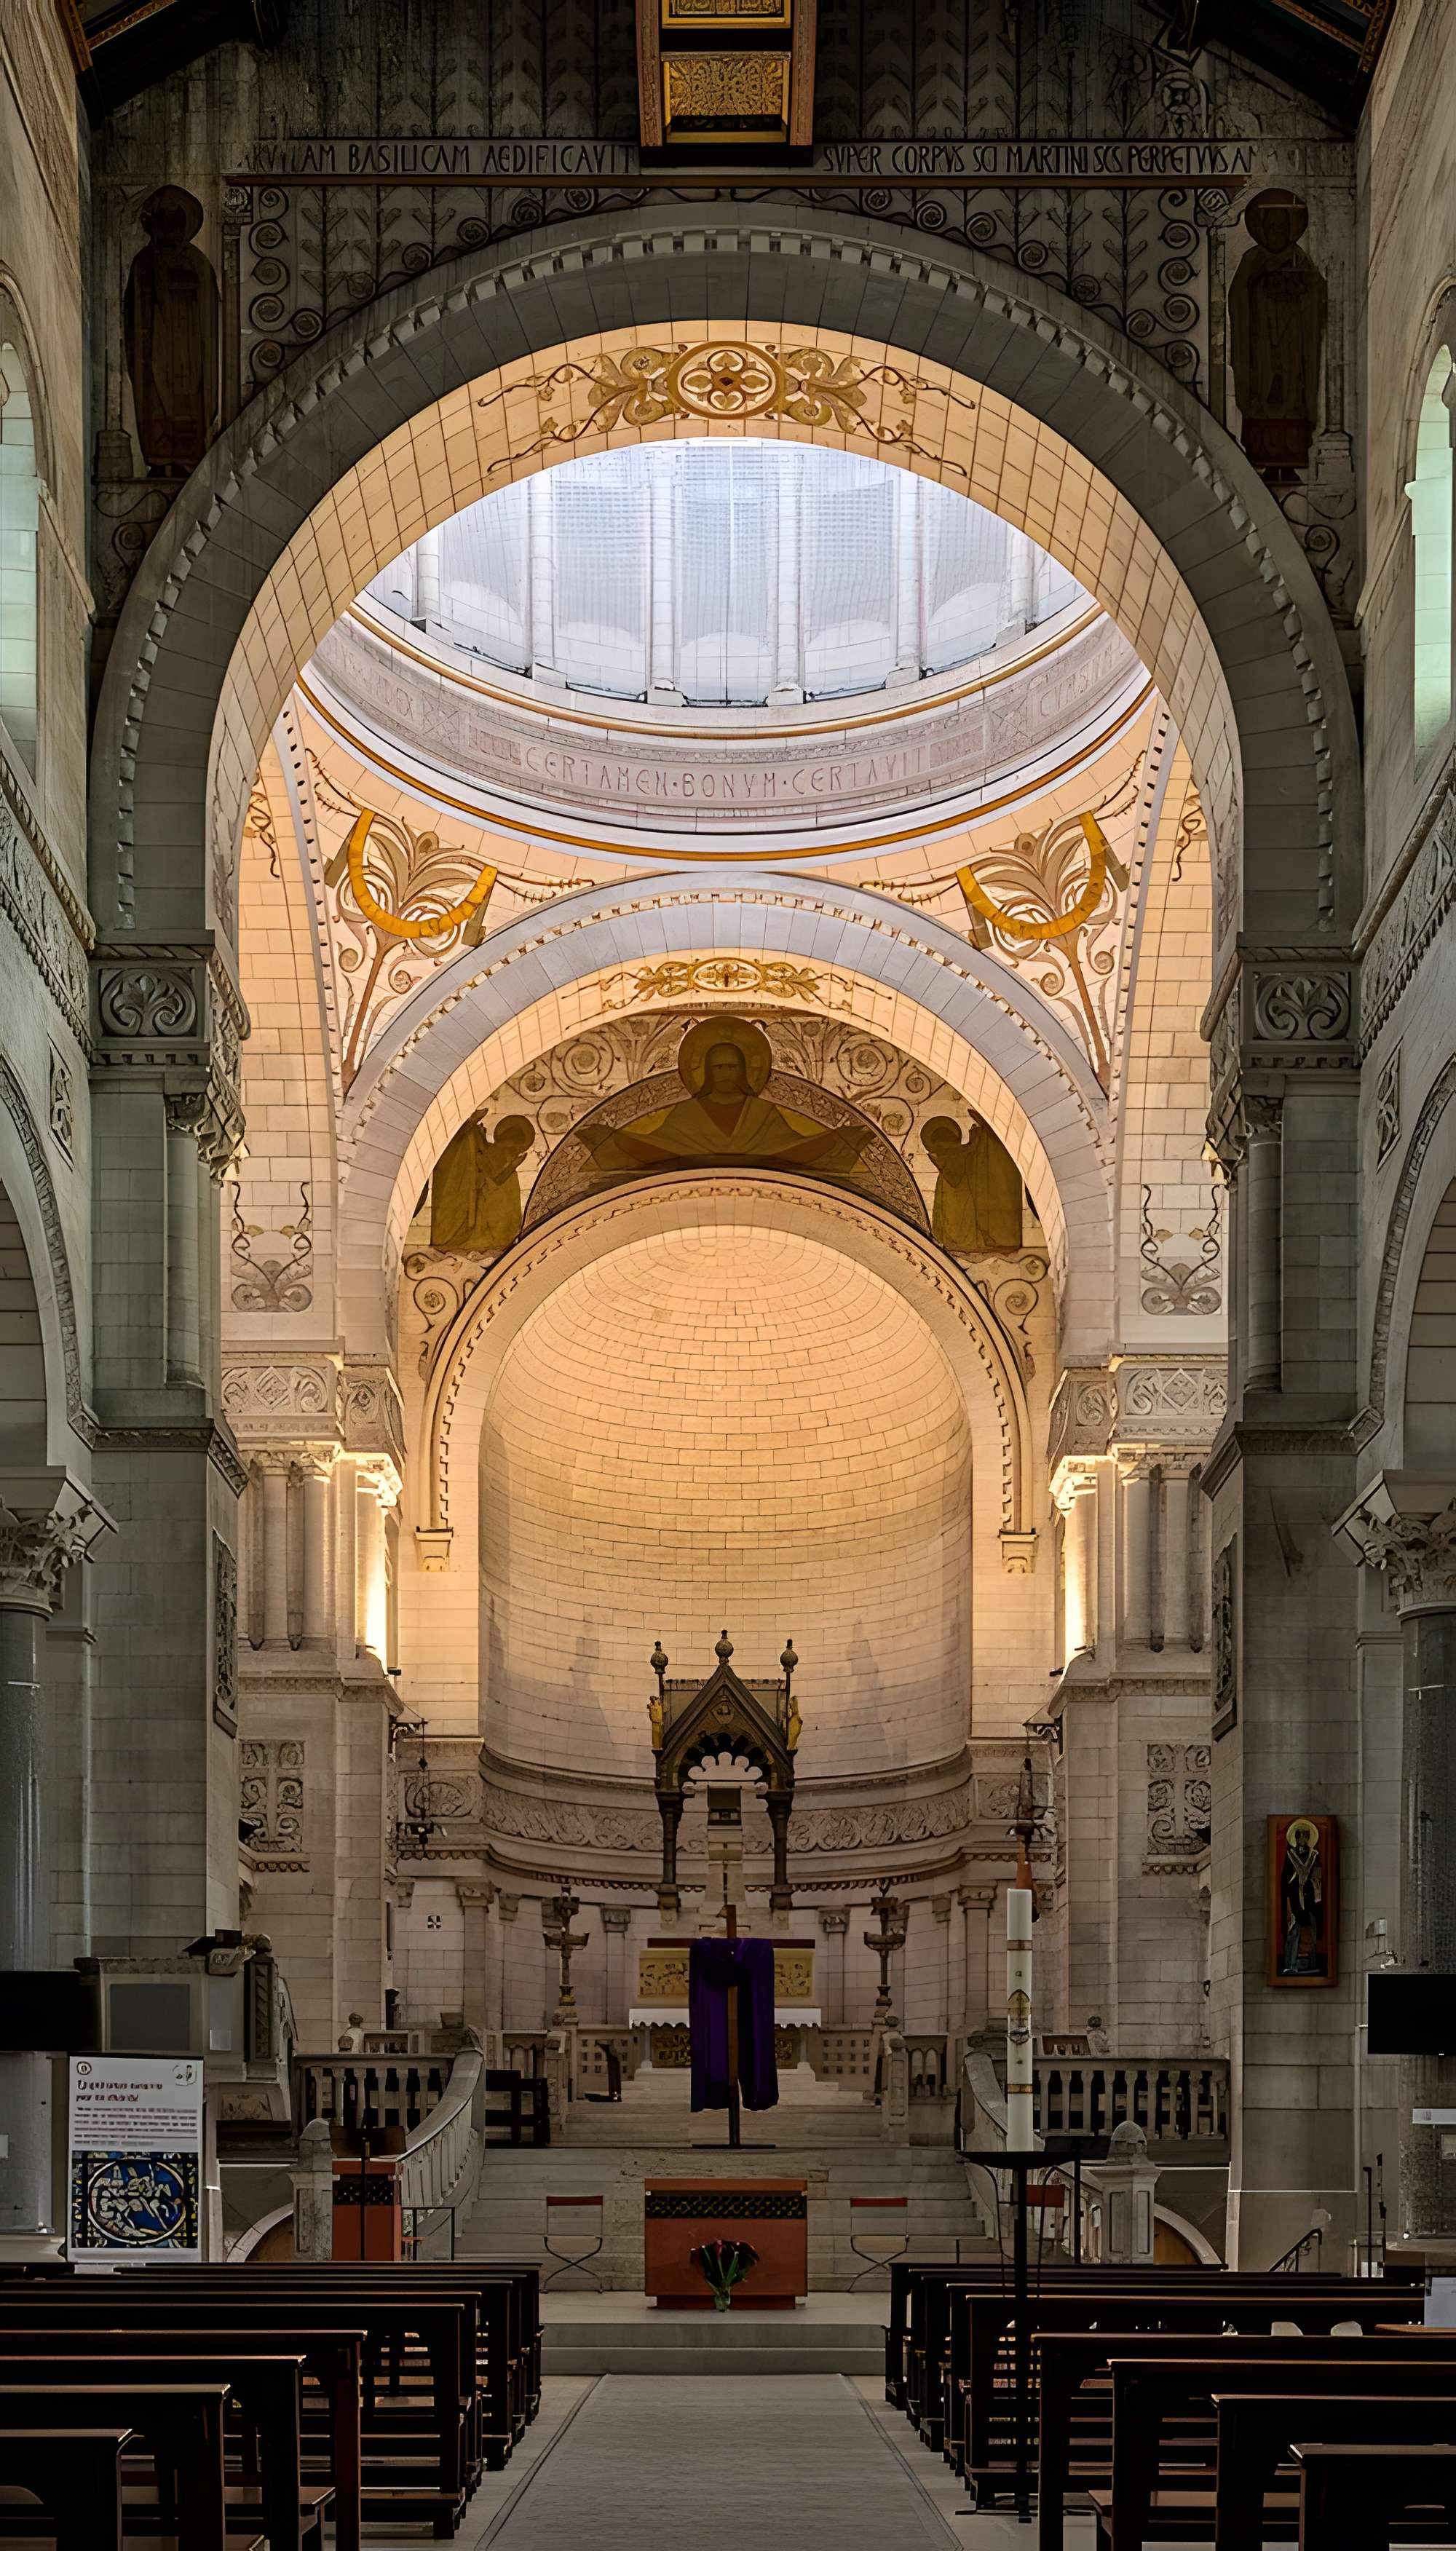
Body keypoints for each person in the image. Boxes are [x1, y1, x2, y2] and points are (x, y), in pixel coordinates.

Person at [578, 1026, 873, 1185]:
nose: (725, 1073)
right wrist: (611, 1138)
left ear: (744, 1070)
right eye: (718, 1067)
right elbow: (657, 1144)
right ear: (706, 1070)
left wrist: (839, 1139)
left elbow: (791, 1146)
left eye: (732, 1067)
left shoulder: (763, 1111)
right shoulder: (686, 1112)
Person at [429, 1113, 533, 1252]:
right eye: (511, 1140)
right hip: (491, 1201)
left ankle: (501, 1238)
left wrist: (510, 1166)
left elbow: (495, 1178)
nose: (511, 1146)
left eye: (515, 1142)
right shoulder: (497, 1153)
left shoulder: (504, 1154)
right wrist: (511, 1166)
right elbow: (493, 1176)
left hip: (498, 1206)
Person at [922, 1114, 1024, 1252]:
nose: (947, 1142)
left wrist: (978, 1135)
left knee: (962, 1216)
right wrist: (977, 1137)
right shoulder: (948, 1153)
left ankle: (961, 1241)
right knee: (954, 1216)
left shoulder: (955, 1152)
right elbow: (966, 1154)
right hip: (954, 1189)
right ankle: (956, 1241)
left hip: (961, 1188)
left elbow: (967, 1153)